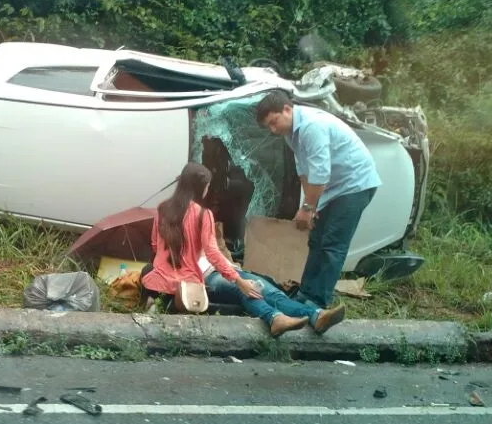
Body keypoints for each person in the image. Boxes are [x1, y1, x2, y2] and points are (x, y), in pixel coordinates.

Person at [141, 163, 310, 337]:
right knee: (247, 289)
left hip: (161, 283)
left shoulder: (162, 208)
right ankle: (294, 315)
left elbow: (155, 244)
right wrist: (237, 279)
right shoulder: (202, 214)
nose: (208, 191)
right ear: (201, 188)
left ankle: (286, 316)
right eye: (207, 187)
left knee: (249, 288)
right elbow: (213, 254)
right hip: (189, 287)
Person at [255, 90, 380, 310]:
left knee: (332, 244)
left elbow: (321, 173)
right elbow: (304, 171)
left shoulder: (311, 126)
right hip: (334, 186)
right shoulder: (291, 133)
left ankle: (318, 302)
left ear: (287, 109)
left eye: (274, 123)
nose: (273, 130)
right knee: (316, 239)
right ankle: (306, 294)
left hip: (355, 184)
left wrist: (308, 207)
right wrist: (309, 208)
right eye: (269, 127)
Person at [197, 223, 345, 335]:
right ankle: (275, 317)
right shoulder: (185, 226)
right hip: (209, 276)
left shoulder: (201, 221)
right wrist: (239, 280)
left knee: (269, 291)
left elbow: (216, 253)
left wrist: (236, 272)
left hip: (229, 270)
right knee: (247, 290)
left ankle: (316, 316)